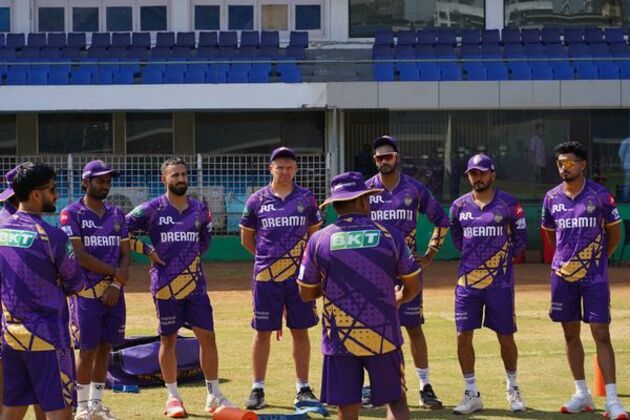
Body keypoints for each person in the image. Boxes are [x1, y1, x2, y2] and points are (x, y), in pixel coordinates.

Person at [297, 171, 422, 420]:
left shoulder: (318, 240)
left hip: (339, 339)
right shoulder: (390, 236)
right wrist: (400, 298)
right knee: (396, 401)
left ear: (336, 204)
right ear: (364, 200)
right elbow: (412, 283)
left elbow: (305, 292)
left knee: (346, 408)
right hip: (383, 335)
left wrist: (331, 284)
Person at [126, 157, 233, 418]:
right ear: (164, 179)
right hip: (165, 287)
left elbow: (204, 241)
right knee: (168, 339)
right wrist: (146, 249)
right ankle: (173, 397)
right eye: (175, 175)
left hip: (196, 286)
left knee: (207, 337)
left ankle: (214, 394)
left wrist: (187, 261)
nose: (181, 179)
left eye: (184, 174)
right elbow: (118, 229)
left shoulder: (200, 210)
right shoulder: (151, 209)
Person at [542, 141, 627, 419]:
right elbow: (551, 235)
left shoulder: (600, 196)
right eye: (560, 163)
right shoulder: (551, 198)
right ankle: (582, 394)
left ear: (583, 165)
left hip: (595, 277)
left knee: (601, 332)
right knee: (570, 332)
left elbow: (615, 234)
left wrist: (596, 260)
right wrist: (568, 261)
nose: (563, 168)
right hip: (563, 276)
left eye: (569, 163)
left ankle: (612, 400)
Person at [364, 135, 449, 409]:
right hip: (374, 272)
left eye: (388, 156)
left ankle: (425, 386)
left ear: (397, 157)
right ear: (374, 160)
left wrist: (430, 254)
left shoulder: (414, 189)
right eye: (379, 157)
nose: (384, 161)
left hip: (407, 272)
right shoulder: (366, 191)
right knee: (372, 329)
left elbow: (442, 220)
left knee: (413, 327)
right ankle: (373, 386)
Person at [0, 162, 85, 420]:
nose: (56, 195)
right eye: (52, 189)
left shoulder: (1, 231)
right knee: (59, 410)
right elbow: (77, 283)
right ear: (36, 194)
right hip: (49, 337)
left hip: (11, 335)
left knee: (12, 408)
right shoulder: (53, 237)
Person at [240, 147, 322, 409]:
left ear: (295, 169)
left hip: (300, 278)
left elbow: (314, 236)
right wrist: (270, 261)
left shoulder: (307, 198)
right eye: (280, 167)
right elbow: (247, 239)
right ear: (271, 169)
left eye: (289, 167)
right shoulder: (256, 200)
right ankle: (257, 389)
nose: (284, 172)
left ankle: (303, 388)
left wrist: (302, 265)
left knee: (300, 330)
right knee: (262, 332)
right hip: (266, 278)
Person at [449, 154, 528, 414]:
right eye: (473, 173)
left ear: (492, 174)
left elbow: (520, 240)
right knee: (463, 336)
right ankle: (471, 393)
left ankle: (513, 388)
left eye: (482, 172)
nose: (478, 177)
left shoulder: (509, 204)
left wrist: (498, 262)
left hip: (500, 284)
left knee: (505, 336)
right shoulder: (459, 206)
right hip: (467, 283)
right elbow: (458, 240)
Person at [59, 161, 130, 420]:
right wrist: (115, 274)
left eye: (108, 181)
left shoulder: (117, 214)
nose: (105, 185)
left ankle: (97, 404)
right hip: (86, 294)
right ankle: (81, 407)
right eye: (100, 180)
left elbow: (125, 254)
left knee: (105, 348)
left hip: (114, 293)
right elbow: (79, 256)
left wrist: (116, 284)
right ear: (85, 182)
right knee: (87, 350)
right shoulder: (71, 214)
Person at [618, 135, 630, 202]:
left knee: (627, 183)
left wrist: (623, 160)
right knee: (627, 183)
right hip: (628, 165)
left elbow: (620, 153)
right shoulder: (625, 141)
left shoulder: (625, 141)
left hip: (627, 165)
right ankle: (626, 198)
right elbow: (621, 153)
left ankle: (626, 199)